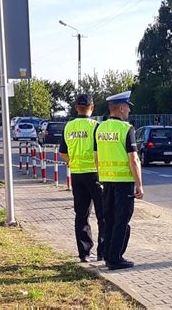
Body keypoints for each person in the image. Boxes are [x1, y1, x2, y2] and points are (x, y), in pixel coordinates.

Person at [95, 90, 144, 270]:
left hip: (106, 182)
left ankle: (108, 255)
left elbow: (96, 156)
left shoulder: (99, 129)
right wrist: (139, 184)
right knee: (121, 221)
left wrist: (101, 176)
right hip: (124, 183)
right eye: (128, 108)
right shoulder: (126, 129)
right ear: (121, 108)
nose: (129, 111)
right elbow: (134, 159)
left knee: (109, 220)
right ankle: (115, 259)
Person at [60, 94, 105, 263]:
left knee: (81, 215)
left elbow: (63, 153)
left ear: (76, 107)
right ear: (92, 108)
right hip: (94, 174)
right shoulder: (96, 126)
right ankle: (102, 251)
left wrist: (72, 163)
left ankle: (84, 253)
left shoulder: (68, 127)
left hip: (77, 175)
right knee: (103, 215)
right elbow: (98, 152)